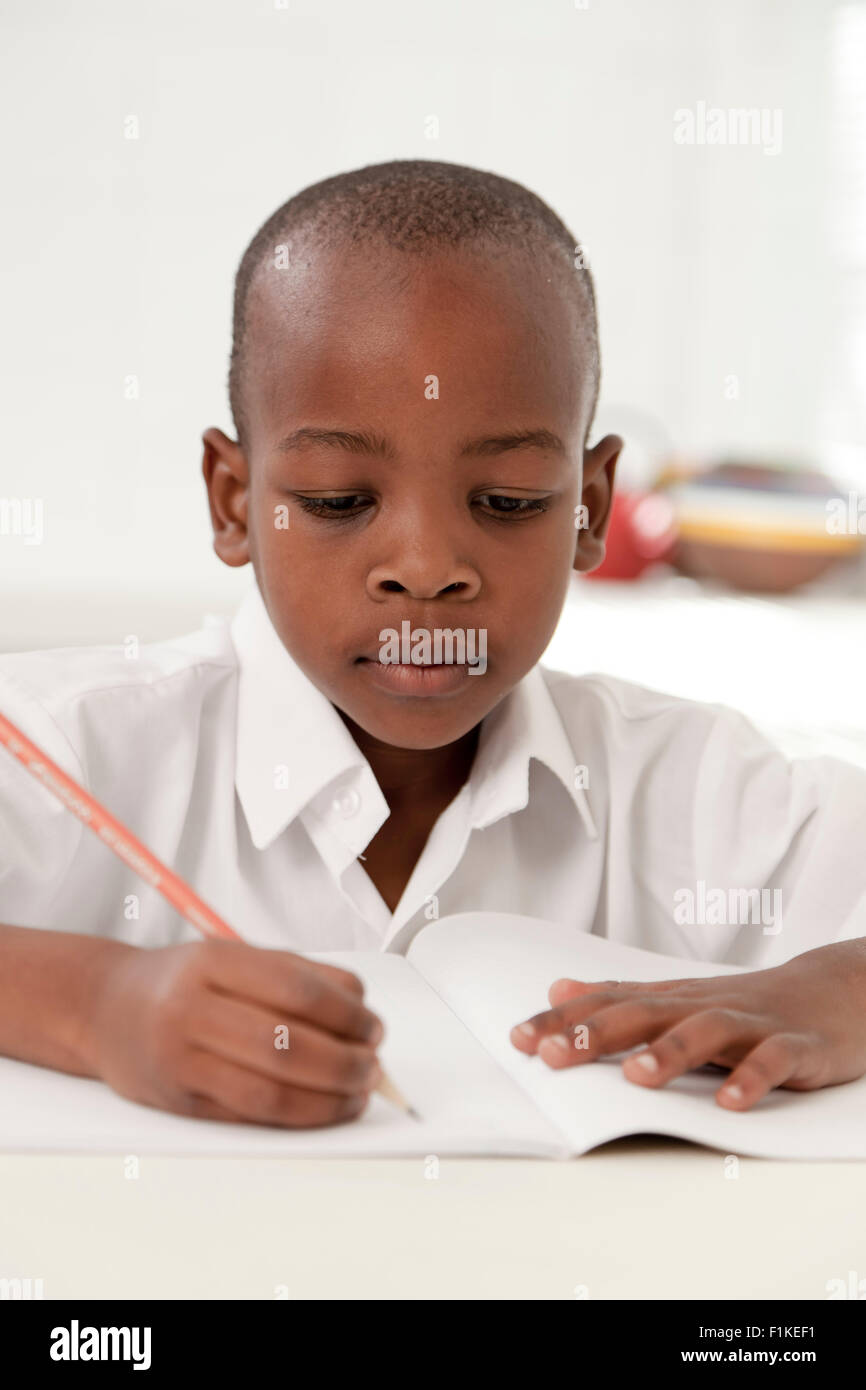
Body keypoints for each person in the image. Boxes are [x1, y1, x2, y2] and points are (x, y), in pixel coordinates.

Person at [1, 159, 865, 1128]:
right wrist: (96, 1006)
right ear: (233, 499)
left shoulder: (689, 788)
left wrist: (841, 990)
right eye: (337, 500)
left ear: (587, 509)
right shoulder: (74, 750)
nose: (424, 567)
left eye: (506, 502)